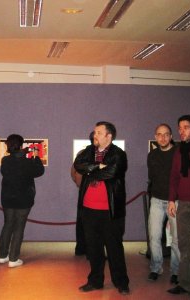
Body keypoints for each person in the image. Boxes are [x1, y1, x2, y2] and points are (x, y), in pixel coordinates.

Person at [74, 121, 130, 295]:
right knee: (93, 247)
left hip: (110, 211)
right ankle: (95, 281)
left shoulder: (118, 154)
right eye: (94, 132)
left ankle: (121, 282)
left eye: (98, 132)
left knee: (114, 248)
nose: (94, 135)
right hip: (88, 210)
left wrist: (90, 170)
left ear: (109, 136)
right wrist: (98, 166)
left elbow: (112, 173)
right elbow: (78, 165)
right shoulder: (88, 151)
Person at [167, 115, 190, 296]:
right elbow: (174, 176)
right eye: (179, 128)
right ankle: (185, 282)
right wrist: (171, 200)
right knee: (184, 245)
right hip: (183, 204)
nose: (181, 131)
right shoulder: (179, 150)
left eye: (186, 127)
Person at [0, 134, 44, 268]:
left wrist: (24, 153)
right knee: (19, 227)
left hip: (7, 198)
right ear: (21, 145)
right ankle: (13, 259)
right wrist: (35, 155)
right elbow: (39, 171)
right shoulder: (28, 161)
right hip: (24, 199)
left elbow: (14, 162)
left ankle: (2, 255)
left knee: (7, 225)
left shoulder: (5, 160)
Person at [147, 124, 180, 284]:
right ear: (155, 136)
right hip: (156, 200)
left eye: (166, 134)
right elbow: (152, 177)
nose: (163, 138)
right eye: (159, 134)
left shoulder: (178, 154)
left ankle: (176, 271)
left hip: (175, 201)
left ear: (171, 136)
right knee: (154, 236)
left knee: (176, 239)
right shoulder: (152, 155)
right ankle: (155, 268)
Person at [71, 131, 94, 256]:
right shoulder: (86, 154)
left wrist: (81, 186)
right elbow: (77, 172)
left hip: (84, 191)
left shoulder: (82, 153)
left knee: (82, 220)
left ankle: (81, 248)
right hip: (90, 191)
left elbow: (73, 172)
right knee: (92, 222)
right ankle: (91, 250)